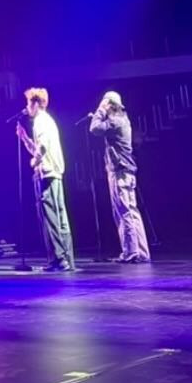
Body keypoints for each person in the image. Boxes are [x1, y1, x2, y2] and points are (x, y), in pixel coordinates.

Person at [17, 86, 75, 273]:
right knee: (59, 217)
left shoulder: (40, 121)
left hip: (47, 174)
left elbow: (41, 148)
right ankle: (67, 258)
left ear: (35, 103)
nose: (27, 107)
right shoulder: (48, 121)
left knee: (50, 219)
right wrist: (24, 138)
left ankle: (59, 260)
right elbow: (39, 147)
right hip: (55, 173)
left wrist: (34, 161)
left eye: (28, 103)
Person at [89, 90, 151, 263]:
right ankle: (141, 252)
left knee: (123, 212)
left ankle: (131, 252)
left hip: (119, 172)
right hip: (127, 171)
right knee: (133, 212)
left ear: (110, 105)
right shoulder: (124, 120)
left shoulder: (115, 122)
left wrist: (100, 110)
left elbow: (94, 128)